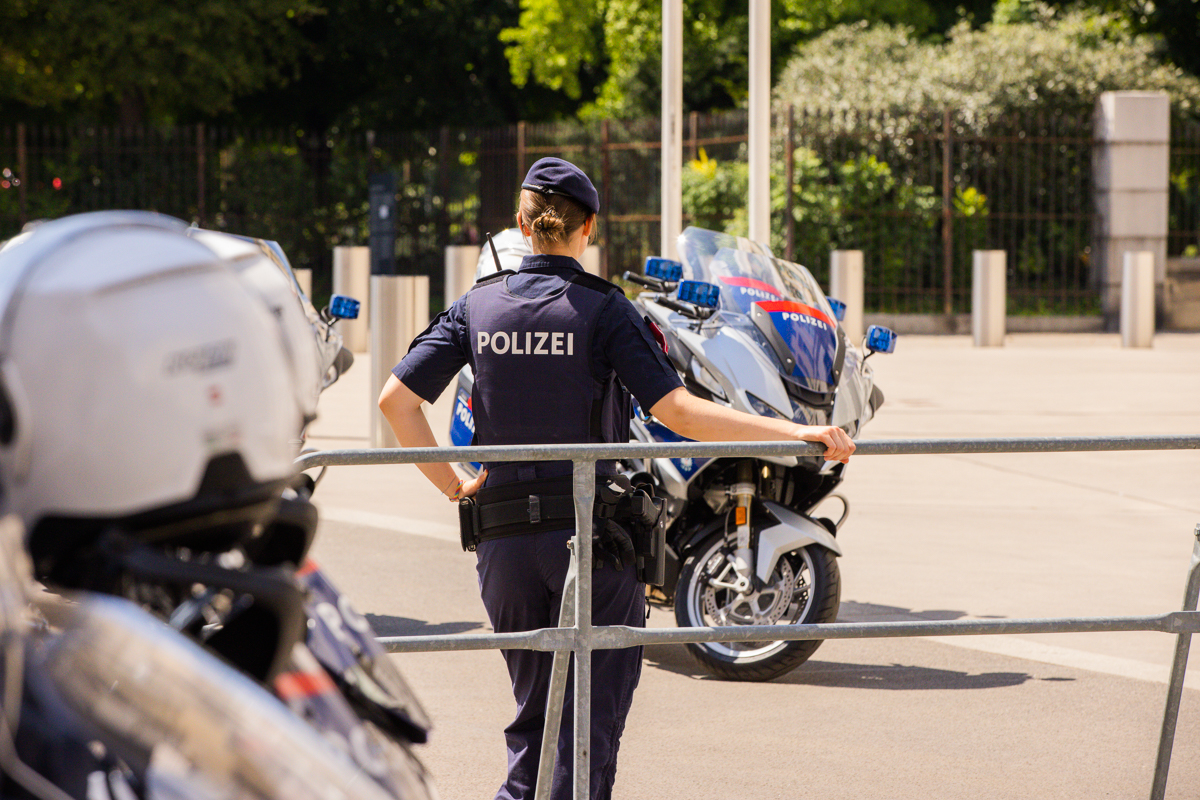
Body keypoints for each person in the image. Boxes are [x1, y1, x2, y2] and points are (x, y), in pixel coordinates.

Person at [378, 157, 855, 800]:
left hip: (504, 543)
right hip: (588, 543)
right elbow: (677, 412)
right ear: (590, 228)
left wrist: (456, 486)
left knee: (533, 724)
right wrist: (794, 432)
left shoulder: (478, 305)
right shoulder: (605, 309)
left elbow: (396, 402)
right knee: (586, 733)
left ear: (520, 223)